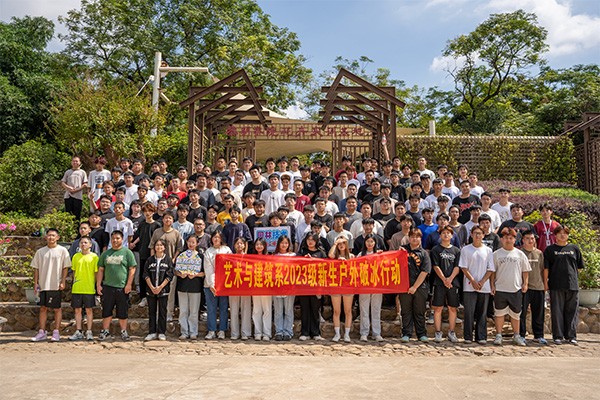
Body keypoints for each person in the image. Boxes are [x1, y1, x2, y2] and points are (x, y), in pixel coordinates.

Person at [544, 226, 584, 345]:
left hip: (572, 285)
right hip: (556, 285)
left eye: (565, 233)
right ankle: (558, 336)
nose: (562, 235)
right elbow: (546, 268)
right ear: (555, 235)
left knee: (572, 311)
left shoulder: (574, 248)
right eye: (560, 233)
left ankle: (571, 336)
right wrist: (545, 282)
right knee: (557, 311)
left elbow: (579, 267)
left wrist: (574, 279)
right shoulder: (550, 250)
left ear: (568, 235)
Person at [491, 228, 530, 346]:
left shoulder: (520, 254)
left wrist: (525, 283)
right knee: (499, 313)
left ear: (515, 239)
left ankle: (516, 335)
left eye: (511, 238)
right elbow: (492, 272)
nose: (508, 240)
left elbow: (525, 270)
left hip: (515, 288)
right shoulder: (496, 254)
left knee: (516, 314)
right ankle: (498, 335)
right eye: (506, 238)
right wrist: (492, 285)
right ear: (502, 239)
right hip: (500, 288)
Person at [31, 229, 71, 342]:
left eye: (53, 235)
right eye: (49, 235)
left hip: (55, 284)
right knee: (43, 308)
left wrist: (63, 281)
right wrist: (36, 283)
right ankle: (42, 332)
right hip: (43, 284)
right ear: (46, 237)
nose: (51, 237)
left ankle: (56, 332)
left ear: (57, 237)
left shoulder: (63, 251)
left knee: (57, 308)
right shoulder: (40, 252)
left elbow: (65, 267)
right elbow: (36, 268)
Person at [97, 230, 137, 341]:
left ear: (122, 239)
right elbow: (100, 270)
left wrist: (129, 284)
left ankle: (123, 331)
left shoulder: (127, 253)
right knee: (106, 310)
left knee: (122, 311)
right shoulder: (106, 254)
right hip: (108, 286)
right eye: (113, 238)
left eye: (117, 238)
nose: (115, 240)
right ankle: (105, 331)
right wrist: (98, 284)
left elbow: (132, 269)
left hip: (122, 287)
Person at [460, 226, 495, 344]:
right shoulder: (465, 249)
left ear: (483, 235)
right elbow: (463, 267)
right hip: (469, 286)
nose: (477, 235)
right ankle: (468, 336)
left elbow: (490, 268)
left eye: (480, 233)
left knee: (482, 312)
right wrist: (473, 281)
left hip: (484, 287)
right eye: (475, 233)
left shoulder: (488, 250)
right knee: (469, 312)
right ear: (471, 234)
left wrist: (482, 281)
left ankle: (481, 336)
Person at [149, 211, 184, 321]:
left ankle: (169, 312)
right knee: (156, 288)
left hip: (170, 266)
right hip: (157, 265)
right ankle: (157, 313)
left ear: (173, 220)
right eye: (166, 218)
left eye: (170, 218)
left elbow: (179, 248)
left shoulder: (176, 233)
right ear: (162, 219)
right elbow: (152, 246)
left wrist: (174, 259)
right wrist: (152, 260)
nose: (168, 220)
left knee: (170, 291)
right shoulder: (157, 232)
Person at [399, 229, 431, 343]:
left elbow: (425, 271)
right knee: (406, 311)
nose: (414, 239)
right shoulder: (402, 250)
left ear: (420, 239)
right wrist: (398, 253)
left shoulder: (424, 253)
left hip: (420, 287)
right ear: (409, 238)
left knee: (420, 311)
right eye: (412, 236)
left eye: (417, 237)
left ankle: (421, 334)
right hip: (404, 287)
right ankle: (406, 333)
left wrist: (414, 287)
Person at [431, 227, 461, 343]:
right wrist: (444, 279)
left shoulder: (456, 250)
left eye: (448, 233)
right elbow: (435, 266)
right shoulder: (435, 249)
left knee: (452, 308)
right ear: (440, 235)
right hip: (439, 283)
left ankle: (451, 332)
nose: (446, 235)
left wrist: (450, 279)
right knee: (437, 308)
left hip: (453, 283)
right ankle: (438, 332)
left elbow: (457, 267)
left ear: (452, 236)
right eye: (443, 233)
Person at [131, 203, 161, 306]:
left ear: (153, 212)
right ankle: (143, 297)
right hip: (143, 252)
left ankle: (153, 296)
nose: (147, 213)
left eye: (150, 211)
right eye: (145, 211)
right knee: (143, 275)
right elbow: (140, 236)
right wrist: (133, 243)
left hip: (154, 253)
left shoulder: (157, 225)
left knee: (153, 275)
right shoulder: (142, 224)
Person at [143, 239, 174, 341]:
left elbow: (170, 275)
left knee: (162, 311)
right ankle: (152, 332)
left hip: (163, 290)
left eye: (161, 245)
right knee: (152, 311)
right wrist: (152, 287)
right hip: (150, 290)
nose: (159, 247)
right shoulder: (150, 260)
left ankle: (161, 332)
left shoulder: (168, 260)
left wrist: (160, 287)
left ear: (164, 247)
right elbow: (145, 274)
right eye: (157, 245)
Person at [68, 236, 99, 341]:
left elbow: (96, 273)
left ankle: (89, 331)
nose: (83, 244)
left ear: (90, 245)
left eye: (86, 242)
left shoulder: (94, 257)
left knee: (89, 310)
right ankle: (78, 331)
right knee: (77, 310)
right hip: (77, 288)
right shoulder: (75, 256)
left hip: (89, 288)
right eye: (81, 242)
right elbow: (74, 272)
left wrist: (95, 285)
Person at [203, 231, 232, 340]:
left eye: (218, 237)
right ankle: (211, 330)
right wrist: (212, 284)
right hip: (210, 284)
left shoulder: (227, 250)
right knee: (211, 308)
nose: (216, 239)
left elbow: (231, 265)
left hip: (224, 283)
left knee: (224, 307)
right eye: (214, 237)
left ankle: (222, 330)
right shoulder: (208, 252)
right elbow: (208, 269)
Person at [174, 235, 204, 340]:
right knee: (183, 310)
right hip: (182, 286)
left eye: (193, 242)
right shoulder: (181, 256)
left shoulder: (200, 256)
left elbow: (204, 273)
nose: (191, 244)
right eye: (189, 242)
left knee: (194, 311)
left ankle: (193, 332)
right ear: (186, 242)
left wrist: (195, 275)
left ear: (197, 243)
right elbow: (176, 270)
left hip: (195, 286)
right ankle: (184, 332)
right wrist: (180, 274)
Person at [519, 230, 547, 344]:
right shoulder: (519, 253)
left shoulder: (539, 253)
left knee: (539, 313)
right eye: (527, 238)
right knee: (521, 313)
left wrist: (545, 284)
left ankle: (538, 335)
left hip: (538, 287)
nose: (530, 241)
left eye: (532, 238)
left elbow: (543, 269)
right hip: (524, 288)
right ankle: (521, 335)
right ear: (523, 240)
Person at [297, 233, 326, 340]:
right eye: (308, 239)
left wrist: (314, 261)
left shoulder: (321, 253)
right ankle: (304, 333)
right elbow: (295, 266)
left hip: (316, 285)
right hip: (303, 285)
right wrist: (303, 260)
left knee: (315, 309)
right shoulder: (302, 252)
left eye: (313, 240)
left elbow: (325, 267)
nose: (310, 242)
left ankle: (315, 333)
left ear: (316, 241)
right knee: (304, 309)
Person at [358, 233, 384, 342]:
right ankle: (364, 332)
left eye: (372, 241)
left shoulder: (379, 254)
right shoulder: (360, 255)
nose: (370, 243)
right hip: (364, 285)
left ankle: (376, 333)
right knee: (364, 309)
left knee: (376, 309)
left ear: (375, 243)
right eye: (368, 241)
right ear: (364, 242)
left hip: (377, 285)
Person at [328, 235, 354, 342]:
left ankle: (347, 334)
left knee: (348, 310)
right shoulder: (334, 256)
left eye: (343, 243)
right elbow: (330, 255)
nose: (341, 245)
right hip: (336, 285)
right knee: (336, 311)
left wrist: (346, 262)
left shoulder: (351, 256)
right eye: (339, 243)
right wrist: (335, 243)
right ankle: (337, 333)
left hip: (347, 286)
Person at [272, 235, 296, 341]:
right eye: (282, 243)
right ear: (278, 244)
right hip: (277, 286)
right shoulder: (274, 256)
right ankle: (279, 331)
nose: (284, 245)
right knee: (278, 311)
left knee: (288, 310)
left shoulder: (293, 256)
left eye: (286, 243)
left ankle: (288, 332)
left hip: (289, 286)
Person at [229, 237, 252, 341]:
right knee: (233, 309)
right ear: (234, 245)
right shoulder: (230, 257)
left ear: (245, 245)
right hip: (233, 286)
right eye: (237, 243)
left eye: (241, 243)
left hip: (245, 286)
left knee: (246, 309)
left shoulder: (249, 258)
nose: (239, 245)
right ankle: (234, 333)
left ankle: (245, 332)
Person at [250, 238, 273, 341]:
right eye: (257, 244)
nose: (259, 246)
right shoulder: (251, 258)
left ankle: (267, 333)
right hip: (255, 287)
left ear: (264, 246)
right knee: (256, 310)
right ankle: (258, 332)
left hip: (266, 287)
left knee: (267, 310)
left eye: (261, 244)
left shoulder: (269, 257)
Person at [61, 155, 88, 222]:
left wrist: (76, 190)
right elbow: (63, 182)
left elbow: (85, 184)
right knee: (68, 215)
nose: (75, 162)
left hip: (78, 197)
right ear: (71, 162)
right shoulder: (68, 172)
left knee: (77, 215)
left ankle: (77, 228)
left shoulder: (82, 172)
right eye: (73, 161)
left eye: (76, 161)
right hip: (68, 196)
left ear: (80, 162)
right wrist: (68, 187)